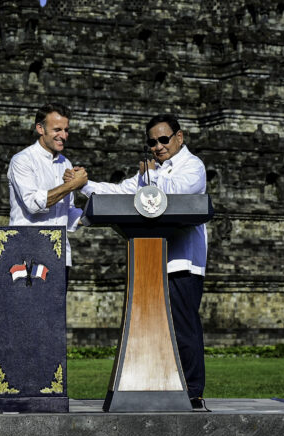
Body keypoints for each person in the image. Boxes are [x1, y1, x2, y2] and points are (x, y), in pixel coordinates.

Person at [77, 113, 208, 408]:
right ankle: (161, 386)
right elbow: (121, 192)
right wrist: (83, 186)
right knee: (156, 329)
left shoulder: (192, 166)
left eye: (163, 139)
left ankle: (193, 392)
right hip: (150, 263)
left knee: (183, 328)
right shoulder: (150, 172)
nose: (158, 146)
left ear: (179, 137)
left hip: (182, 262)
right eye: (152, 142)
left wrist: (152, 177)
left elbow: (174, 194)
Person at [7, 103, 87, 271]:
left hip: (59, 254)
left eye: (66, 130)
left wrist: (95, 214)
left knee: (59, 298)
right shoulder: (22, 160)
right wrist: (72, 185)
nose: (63, 136)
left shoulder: (66, 163)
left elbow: (67, 210)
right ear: (40, 129)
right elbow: (33, 204)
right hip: (28, 253)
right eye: (57, 130)